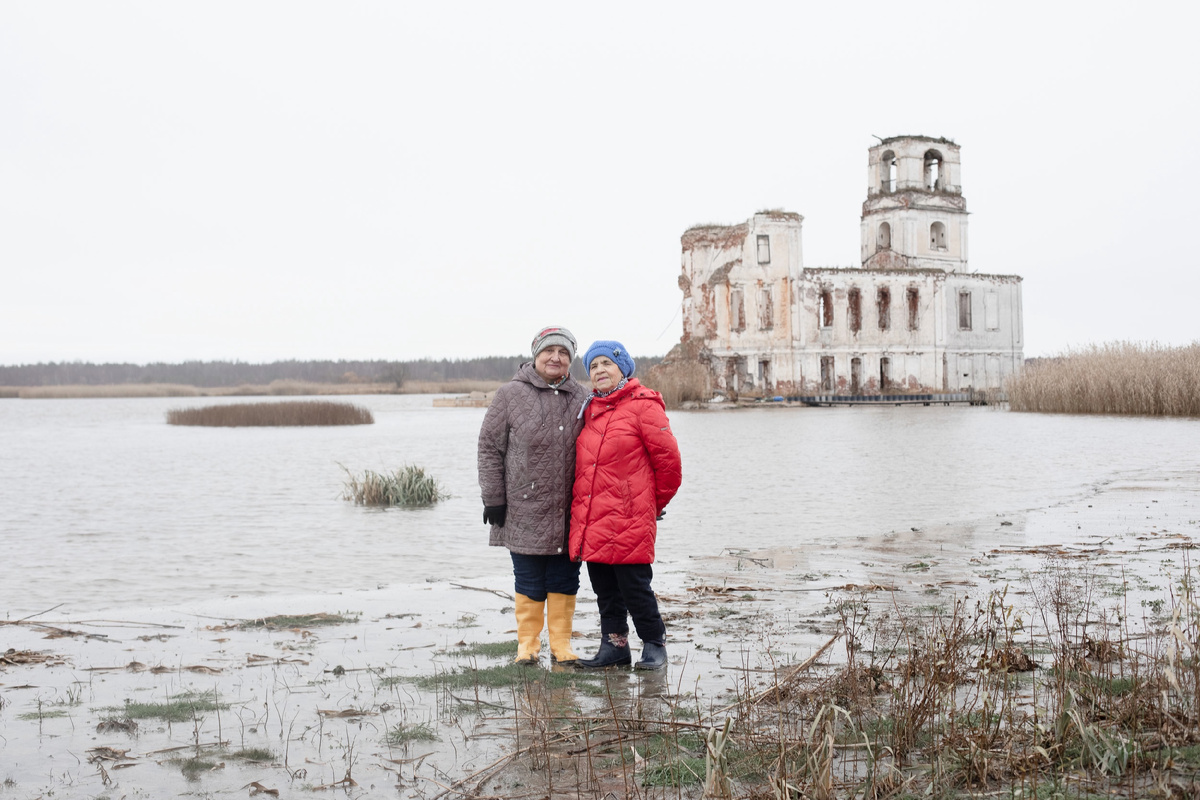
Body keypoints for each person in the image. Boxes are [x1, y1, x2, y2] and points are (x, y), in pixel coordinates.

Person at [478, 326, 589, 665]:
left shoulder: (583, 396)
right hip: (523, 509)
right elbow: (489, 448)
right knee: (528, 578)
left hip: (570, 509)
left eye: (564, 353)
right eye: (549, 351)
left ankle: (562, 647)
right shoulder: (509, 395)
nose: (556, 358)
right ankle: (527, 648)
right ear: (535, 354)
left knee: (565, 577)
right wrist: (493, 497)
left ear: (571, 360)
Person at [570, 341, 682, 670]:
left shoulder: (644, 405)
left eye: (607, 363)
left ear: (623, 368)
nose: (600, 370)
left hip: (629, 518)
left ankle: (654, 644)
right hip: (593, 518)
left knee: (635, 588)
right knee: (605, 590)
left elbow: (670, 466)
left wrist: (648, 505)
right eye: (593, 366)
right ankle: (615, 647)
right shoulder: (591, 409)